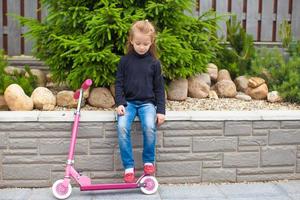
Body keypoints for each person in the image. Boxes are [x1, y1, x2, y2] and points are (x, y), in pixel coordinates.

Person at [115, 20, 166, 183]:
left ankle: (148, 162)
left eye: (146, 43)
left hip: (147, 104)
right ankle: (129, 167)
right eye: (138, 43)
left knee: (149, 127)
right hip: (128, 103)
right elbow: (119, 84)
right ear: (131, 40)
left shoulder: (154, 63)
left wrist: (161, 111)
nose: (142, 47)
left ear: (151, 42)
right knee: (122, 127)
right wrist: (120, 103)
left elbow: (159, 88)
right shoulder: (125, 61)